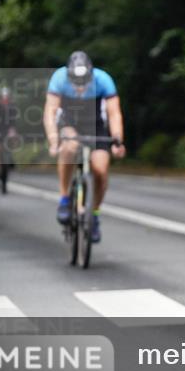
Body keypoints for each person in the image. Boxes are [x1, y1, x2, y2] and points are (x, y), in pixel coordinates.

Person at [43, 51, 126, 242]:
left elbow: (114, 114)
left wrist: (118, 141)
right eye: (75, 83)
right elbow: (50, 112)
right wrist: (54, 140)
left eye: (84, 83)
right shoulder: (59, 78)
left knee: (101, 169)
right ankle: (64, 198)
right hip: (70, 123)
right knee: (69, 148)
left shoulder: (103, 79)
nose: (80, 88)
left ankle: (94, 214)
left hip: (95, 124)